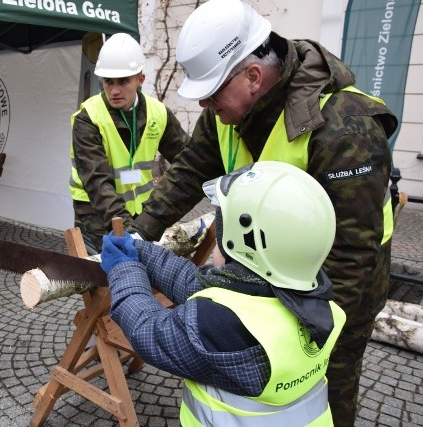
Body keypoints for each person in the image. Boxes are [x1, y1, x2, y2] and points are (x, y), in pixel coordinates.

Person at [128, 1, 398, 423]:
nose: (204, 105)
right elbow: (190, 170)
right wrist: (140, 233)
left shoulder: (345, 126)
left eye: (211, 92)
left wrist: (308, 340)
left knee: (324, 391)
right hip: (264, 274)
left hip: (341, 291)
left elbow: (350, 256)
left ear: (253, 76)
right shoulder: (228, 110)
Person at [101, 161, 346, 426]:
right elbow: (197, 286)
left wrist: (123, 269)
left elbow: (147, 329)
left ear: (244, 243)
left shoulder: (220, 325)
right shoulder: (314, 303)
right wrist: (141, 251)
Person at [69, 32, 190, 254]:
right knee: (107, 272)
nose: (115, 90)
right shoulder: (88, 118)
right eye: (108, 82)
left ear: (140, 79)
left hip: (140, 208)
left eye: (123, 81)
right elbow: (98, 184)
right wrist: (126, 231)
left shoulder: (158, 113)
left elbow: (191, 160)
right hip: (95, 212)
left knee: (144, 265)